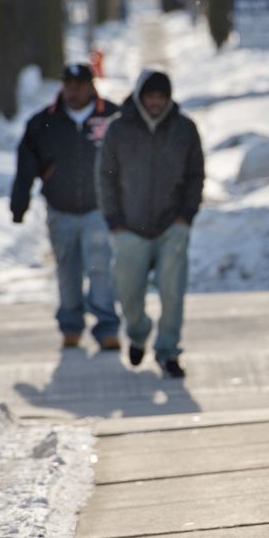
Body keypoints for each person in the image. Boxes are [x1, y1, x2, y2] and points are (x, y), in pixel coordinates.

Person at [96, 70, 204, 378]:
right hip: (128, 227)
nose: (156, 102)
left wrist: (186, 215)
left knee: (173, 293)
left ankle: (168, 351)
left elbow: (196, 174)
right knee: (128, 293)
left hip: (172, 226)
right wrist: (113, 220)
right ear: (140, 97)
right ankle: (139, 331)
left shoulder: (185, 128)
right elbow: (105, 175)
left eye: (161, 97)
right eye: (151, 96)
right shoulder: (118, 129)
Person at [11, 63, 121, 351]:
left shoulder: (112, 117)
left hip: (99, 208)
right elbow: (26, 164)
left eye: (80, 86)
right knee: (67, 269)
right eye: (69, 86)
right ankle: (71, 325)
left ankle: (107, 327)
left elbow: (131, 161)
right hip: (60, 208)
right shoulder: (44, 122)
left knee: (100, 267)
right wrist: (18, 203)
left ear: (91, 85)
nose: (74, 92)